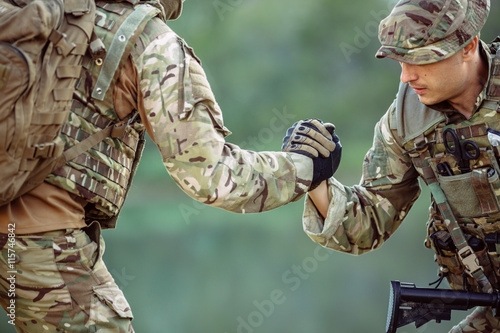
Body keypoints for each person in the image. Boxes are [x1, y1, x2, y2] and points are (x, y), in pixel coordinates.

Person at [0, 0, 338, 331]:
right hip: (38, 245)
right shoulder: (148, 39)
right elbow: (212, 176)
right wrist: (306, 167)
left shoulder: (42, 9)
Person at [290, 0, 500, 331]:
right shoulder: (407, 121)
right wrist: (316, 178)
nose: (406, 76)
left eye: (420, 59)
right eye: (401, 60)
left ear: (468, 46)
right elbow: (367, 223)